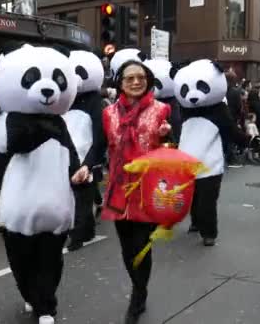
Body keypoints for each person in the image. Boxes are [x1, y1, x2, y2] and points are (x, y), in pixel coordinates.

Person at [101, 60, 171, 324]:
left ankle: (138, 294)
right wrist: (84, 165)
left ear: (148, 80)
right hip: (119, 189)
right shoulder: (108, 114)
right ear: (120, 83)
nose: (135, 82)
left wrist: (166, 137)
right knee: (127, 247)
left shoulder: (162, 110)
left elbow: (174, 149)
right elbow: (102, 145)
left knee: (142, 246)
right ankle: (138, 284)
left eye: (140, 77)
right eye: (129, 78)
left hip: (147, 188)